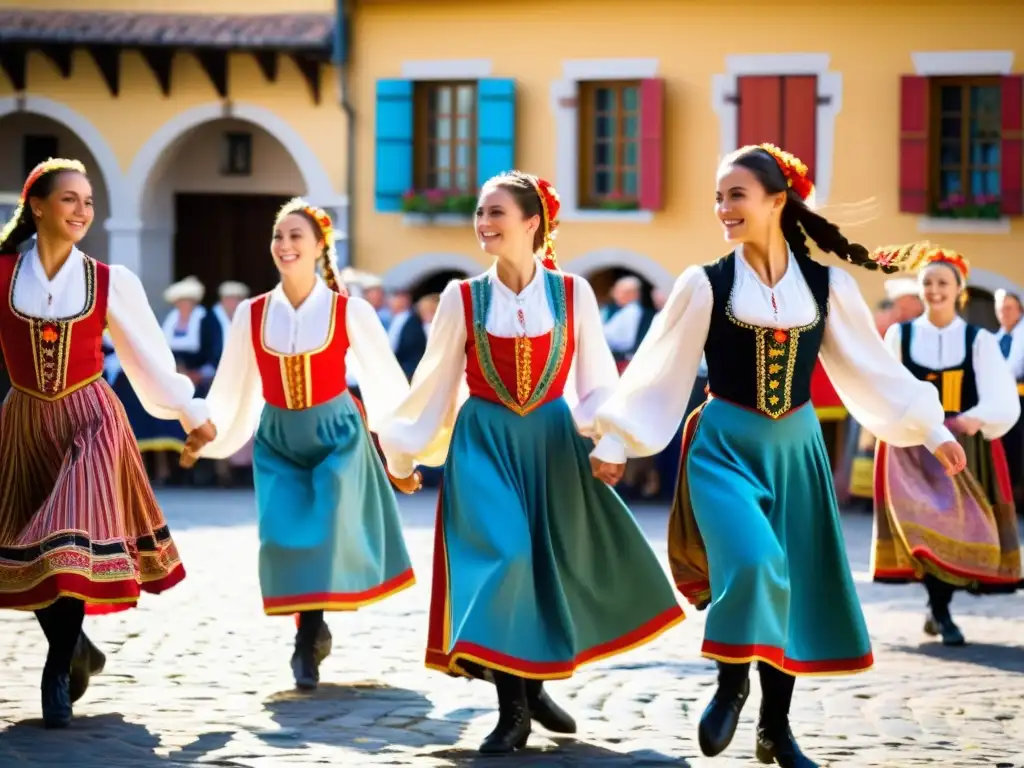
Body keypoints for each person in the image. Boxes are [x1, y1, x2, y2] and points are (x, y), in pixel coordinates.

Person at [587, 144, 967, 766]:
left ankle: (776, 730)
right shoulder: (704, 284)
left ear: (776, 201)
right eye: (718, 197)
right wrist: (615, 440)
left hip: (797, 450)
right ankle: (731, 683)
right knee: (756, 560)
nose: (723, 208)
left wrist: (933, 430)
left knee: (789, 583)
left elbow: (871, 371)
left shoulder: (827, 286)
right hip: (724, 448)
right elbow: (659, 368)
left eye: (735, 195)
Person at [377, 171, 685, 755]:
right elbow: (433, 385)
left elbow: (597, 381)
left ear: (532, 223)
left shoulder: (572, 293)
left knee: (546, 567)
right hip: (484, 443)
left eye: (495, 212)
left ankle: (530, 676)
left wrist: (611, 443)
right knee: (507, 559)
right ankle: (513, 709)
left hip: (551, 442)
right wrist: (403, 453)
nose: (483, 223)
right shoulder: (461, 297)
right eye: (479, 213)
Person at [0, 158, 215, 727]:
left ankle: (54, 673)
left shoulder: (110, 280)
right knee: (28, 549)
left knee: (64, 536)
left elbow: (151, 359)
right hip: (23, 423)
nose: (82, 211)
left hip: (91, 422)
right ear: (37, 206)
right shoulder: (0, 275)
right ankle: (77, 649)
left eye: (89, 201)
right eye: (69, 199)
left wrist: (190, 412)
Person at [179, 198, 417, 690]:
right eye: (279, 236)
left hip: (336, 435)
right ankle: (311, 629)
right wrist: (207, 432)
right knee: (283, 536)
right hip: (279, 437)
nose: (284, 245)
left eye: (295, 237)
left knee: (326, 522)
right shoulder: (251, 312)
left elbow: (385, 385)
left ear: (318, 247)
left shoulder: (349, 311)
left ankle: (307, 637)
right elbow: (231, 385)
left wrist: (401, 455)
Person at [872, 243, 1022, 646]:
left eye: (942, 282)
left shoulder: (978, 340)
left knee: (959, 526)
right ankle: (939, 609)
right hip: (912, 445)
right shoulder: (900, 336)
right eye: (928, 283)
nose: (935, 289)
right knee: (923, 528)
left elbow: (1001, 394)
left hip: (965, 446)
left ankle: (939, 608)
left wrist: (975, 417)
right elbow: (887, 388)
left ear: (960, 289)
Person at [993, 288, 1024, 505]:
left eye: (1010, 307)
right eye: (1001, 308)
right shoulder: (996, 337)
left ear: (1020, 311)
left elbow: (1012, 367)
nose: (1005, 312)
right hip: (1001, 401)